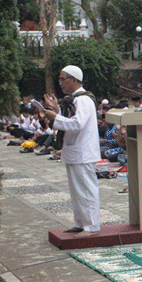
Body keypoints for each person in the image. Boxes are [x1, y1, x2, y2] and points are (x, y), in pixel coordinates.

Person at [42, 65, 101, 237]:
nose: (60, 83)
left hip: (83, 151)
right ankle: (80, 222)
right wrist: (57, 111)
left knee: (86, 189)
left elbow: (77, 124)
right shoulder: (75, 99)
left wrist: (55, 117)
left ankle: (91, 226)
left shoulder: (83, 99)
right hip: (75, 150)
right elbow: (70, 119)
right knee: (76, 191)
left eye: (62, 79)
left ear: (74, 79)